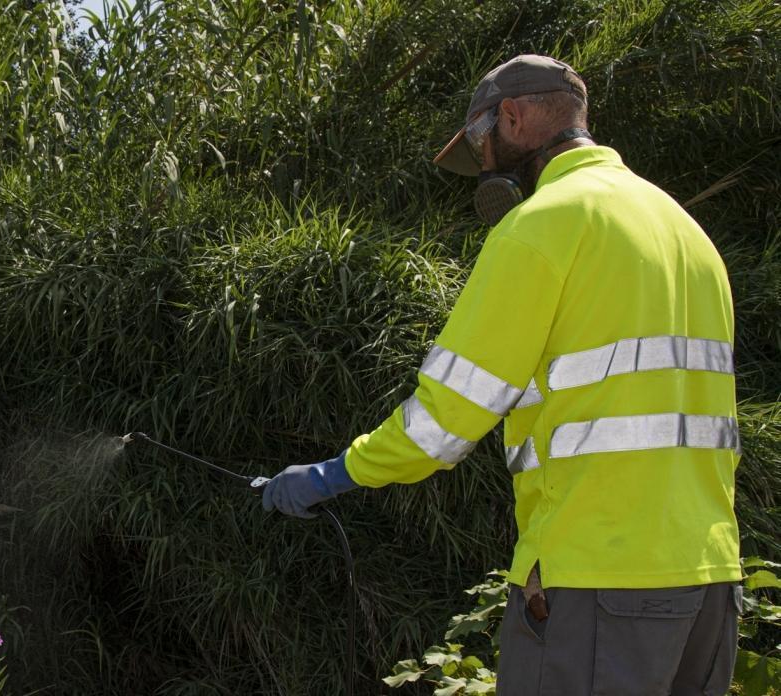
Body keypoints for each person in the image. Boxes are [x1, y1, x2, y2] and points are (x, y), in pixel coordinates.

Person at [262, 54, 742, 695]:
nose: (483, 171)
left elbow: (443, 421)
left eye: (482, 151)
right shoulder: (684, 230)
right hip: (709, 581)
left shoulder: (541, 226)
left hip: (597, 578)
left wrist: (333, 474)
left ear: (511, 119)